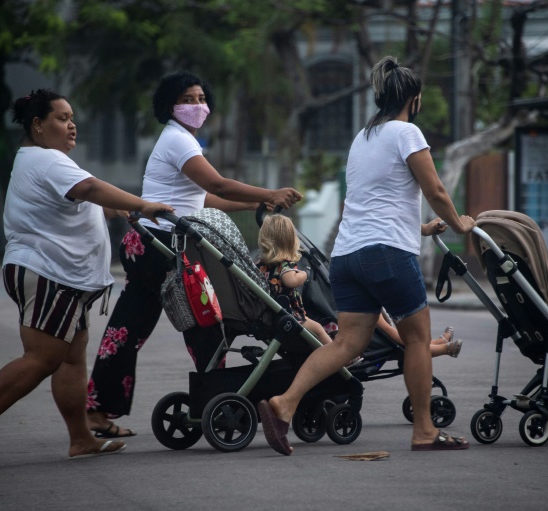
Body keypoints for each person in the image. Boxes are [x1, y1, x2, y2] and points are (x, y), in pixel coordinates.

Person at [0, 89, 173, 471]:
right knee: (42, 358)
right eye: (62, 118)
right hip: (49, 272)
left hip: (65, 276)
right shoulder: (45, 160)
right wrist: (140, 203)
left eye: (72, 117)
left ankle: (81, 439)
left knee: (71, 359)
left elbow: (90, 198)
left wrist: (122, 208)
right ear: (37, 125)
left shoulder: (49, 162)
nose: (71, 124)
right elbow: (90, 188)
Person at [257, 56, 476, 455]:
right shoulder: (407, 133)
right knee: (417, 338)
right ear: (414, 97)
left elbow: (377, 202)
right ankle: (425, 430)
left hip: (347, 256)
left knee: (347, 345)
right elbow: (437, 192)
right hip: (387, 255)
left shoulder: (363, 138)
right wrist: (461, 224)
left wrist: (421, 229)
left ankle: (284, 404)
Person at [86, 71, 303, 437]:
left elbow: (204, 199)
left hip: (149, 245)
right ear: (170, 106)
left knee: (127, 330)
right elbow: (216, 182)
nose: (197, 106)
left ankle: (98, 411)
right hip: (164, 248)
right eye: (188, 99)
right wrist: (267, 194)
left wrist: (251, 204)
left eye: (201, 98)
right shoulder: (178, 140)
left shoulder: (181, 141)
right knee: (207, 323)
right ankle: (218, 398)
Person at [258, 214, 363, 366]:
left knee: (318, 330)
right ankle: (341, 358)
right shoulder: (285, 264)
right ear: (290, 240)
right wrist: (303, 274)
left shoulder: (261, 264)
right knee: (319, 330)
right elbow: (290, 280)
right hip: (290, 314)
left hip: (272, 312)